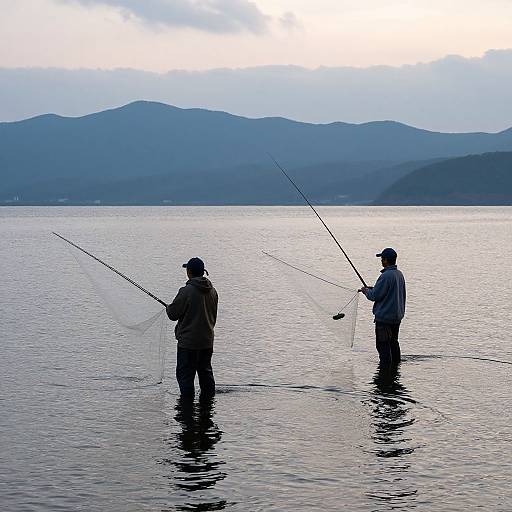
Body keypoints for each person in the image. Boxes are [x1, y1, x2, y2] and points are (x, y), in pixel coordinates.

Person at [166, 257, 218, 398]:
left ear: (189, 272)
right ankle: (207, 409)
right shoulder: (213, 291)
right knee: (206, 375)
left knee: (185, 377)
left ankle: (186, 411)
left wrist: (169, 307)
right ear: (202, 272)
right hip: (207, 342)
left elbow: (172, 314)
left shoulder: (186, 291)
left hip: (188, 344)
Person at [359, 248, 406, 366]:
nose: (381, 261)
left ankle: (385, 371)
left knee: (383, 345)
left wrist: (366, 291)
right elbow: (387, 292)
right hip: (396, 317)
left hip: (384, 319)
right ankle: (395, 367)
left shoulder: (385, 276)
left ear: (386, 260)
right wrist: (372, 289)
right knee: (393, 343)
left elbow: (374, 296)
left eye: (382, 258)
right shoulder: (398, 274)